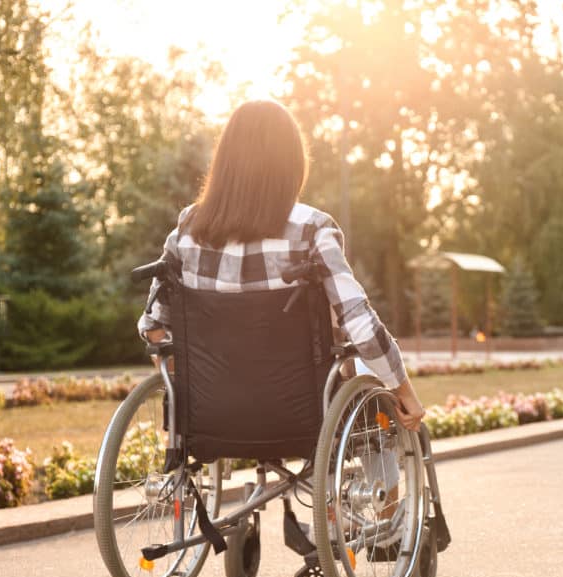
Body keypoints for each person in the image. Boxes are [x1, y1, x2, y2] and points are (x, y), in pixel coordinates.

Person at [136, 99, 425, 431]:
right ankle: (387, 483)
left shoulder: (188, 230)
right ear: (291, 163)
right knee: (373, 385)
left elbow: (152, 325)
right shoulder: (311, 229)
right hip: (300, 410)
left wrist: (187, 383)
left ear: (225, 162)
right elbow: (358, 322)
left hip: (211, 414)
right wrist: (403, 390)